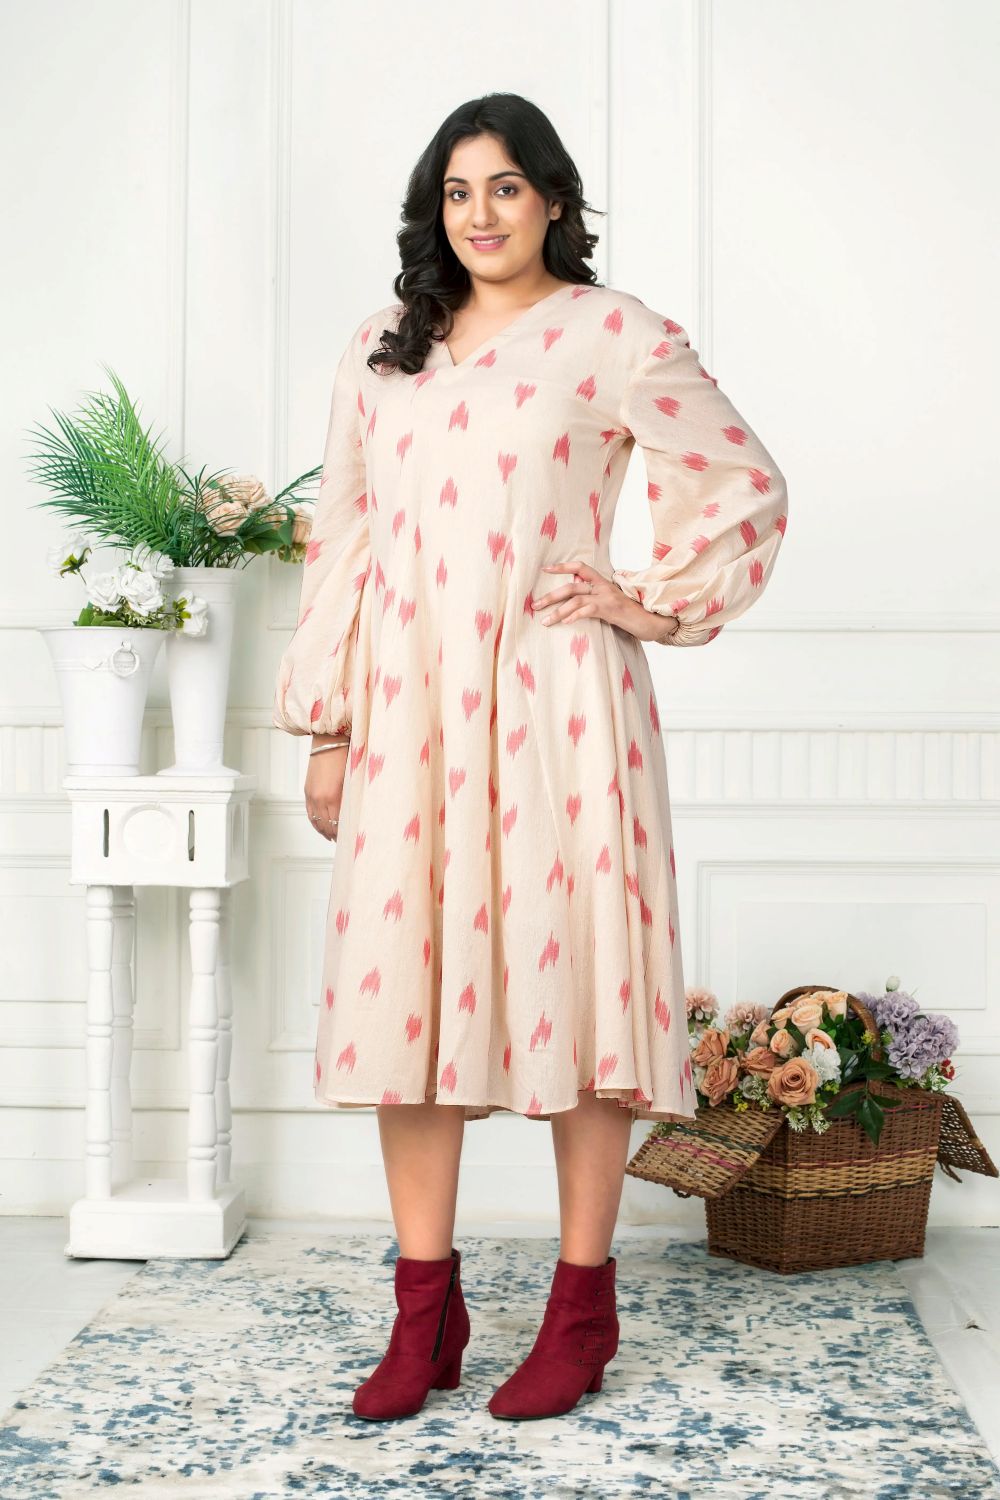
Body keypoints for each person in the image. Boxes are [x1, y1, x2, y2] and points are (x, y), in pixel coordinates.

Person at [272, 92, 788, 1422]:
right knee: (402, 998)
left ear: (554, 199)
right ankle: (424, 1314)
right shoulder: (384, 347)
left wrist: (644, 596)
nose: (481, 214)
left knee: (582, 992)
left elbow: (744, 481)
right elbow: (343, 540)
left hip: (560, 703)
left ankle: (581, 1307)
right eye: (458, 191)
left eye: (506, 187)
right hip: (407, 709)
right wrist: (329, 724)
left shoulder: (615, 334)